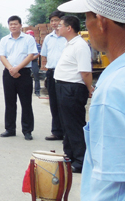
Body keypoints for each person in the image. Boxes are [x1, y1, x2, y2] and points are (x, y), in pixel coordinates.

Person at [57, 0, 124, 201]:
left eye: (87, 18)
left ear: (102, 21)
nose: (87, 26)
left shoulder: (113, 90)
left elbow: (114, 176)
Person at [53, 15, 93, 173]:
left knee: (74, 125)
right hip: (63, 86)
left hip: (72, 88)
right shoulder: (69, 44)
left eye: (60, 25)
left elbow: (85, 72)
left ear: (69, 28)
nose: (57, 27)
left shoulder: (80, 45)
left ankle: (81, 160)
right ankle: (69, 155)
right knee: (66, 124)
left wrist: (89, 89)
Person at [0, 15, 38, 140]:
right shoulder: (4, 40)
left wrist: (17, 68)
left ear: (20, 25)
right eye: (11, 24)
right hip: (8, 73)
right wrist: (11, 69)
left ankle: (27, 130)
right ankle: (10, 129)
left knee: (26, 103)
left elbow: (30, 55)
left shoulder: (28, 39)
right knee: (9, 102)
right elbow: (2, 56)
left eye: (15, 24)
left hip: (24, 73)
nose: (13, 26)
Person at [40, 10, 67, 141]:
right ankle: (56, 131)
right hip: (51, 72)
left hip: (65, 73)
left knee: (65, 103)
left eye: (56, 20)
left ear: (62, 21)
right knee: (54, 103)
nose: (54, 23)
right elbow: (44, 55)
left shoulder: (67, 37)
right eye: (52, 21)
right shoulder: (48, 38)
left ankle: (67, 132)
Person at [25, 30, 42, 96]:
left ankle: (37, 91)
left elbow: (38, 53)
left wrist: (31, 58)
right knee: (26, 77)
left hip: (33, 62)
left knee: (36, 76)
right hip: (25, 62)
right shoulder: (24, 44)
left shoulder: (36, 44)